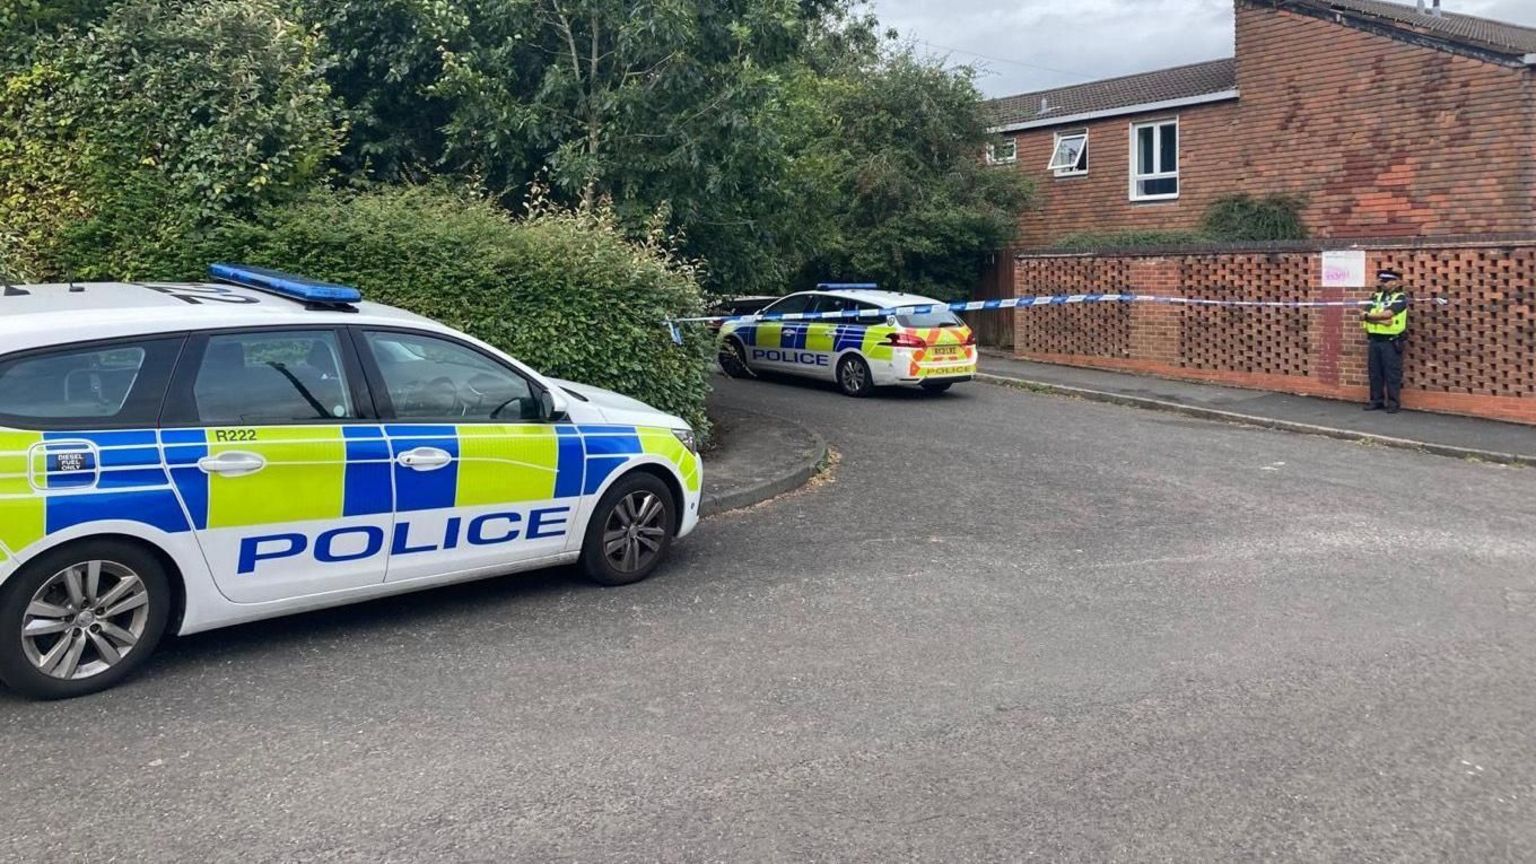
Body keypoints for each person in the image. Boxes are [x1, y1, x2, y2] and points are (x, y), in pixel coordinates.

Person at [1361, 268, 1409, 413]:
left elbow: (1388, 314)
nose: (1383, 284)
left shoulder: (1400, 298)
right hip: (1375, 340)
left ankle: (1393, 404)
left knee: (1392, 373)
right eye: (1382, 281)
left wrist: (1370, 317)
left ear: (1395, 282)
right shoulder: (1375, 297)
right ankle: (1376, 401)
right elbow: (1364, 313)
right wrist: (1378, 319)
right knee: (1375, 373)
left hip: (1391, 341)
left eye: (1386, 281)